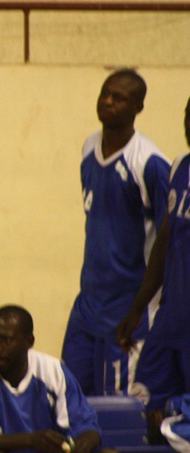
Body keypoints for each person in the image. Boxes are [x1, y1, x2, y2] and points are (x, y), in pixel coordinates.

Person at [62, 69, 171, 396]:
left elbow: (169, 241)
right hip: (87, 308)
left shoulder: (150, 163)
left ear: (138, 107)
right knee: (69, 401)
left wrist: (139, 309)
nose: (108, 101)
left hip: (128, 312)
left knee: (118, 413)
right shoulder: (89, 148)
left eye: (118, 98)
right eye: (105, 93)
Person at [118, 96, 190, 444]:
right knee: (144, 413)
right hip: (170, 320)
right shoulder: (180, 168)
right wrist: (137, 308)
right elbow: (164, 242)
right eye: (188, 114)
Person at [0, 305, 104, 453]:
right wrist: (31, 440)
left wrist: (84, 443)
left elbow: (85, 425)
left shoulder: (53, 371)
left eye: (6, 340)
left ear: (29, 341)